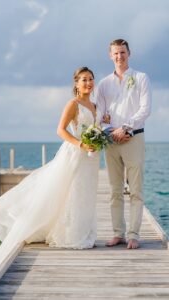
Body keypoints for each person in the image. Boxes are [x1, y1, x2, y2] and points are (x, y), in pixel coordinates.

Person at [0, 67, 102, 298]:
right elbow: (60, 130)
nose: (88, 83)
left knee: (86, 192)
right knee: (72, 192)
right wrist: (80, 144)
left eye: (91, 79)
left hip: (92, 158)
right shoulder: (73, 105)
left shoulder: (96, 106)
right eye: (84, 80)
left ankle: (84, 232)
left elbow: (97, 127)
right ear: (76, 83)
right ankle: (71, 234)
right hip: (75, 153)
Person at [96, 39, 152, 249]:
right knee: (114, 190)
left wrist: (126, 128)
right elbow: (100, 114)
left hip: (133, 138)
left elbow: (145, 109)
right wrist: (110, 131)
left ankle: (134, 235)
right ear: (110, 56)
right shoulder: (103, 84)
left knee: (136, 190)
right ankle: (118, 233)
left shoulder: (141, 78)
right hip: (111, 141)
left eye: (122, 52)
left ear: (129, 53)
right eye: (115, 53)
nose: (119, 56)